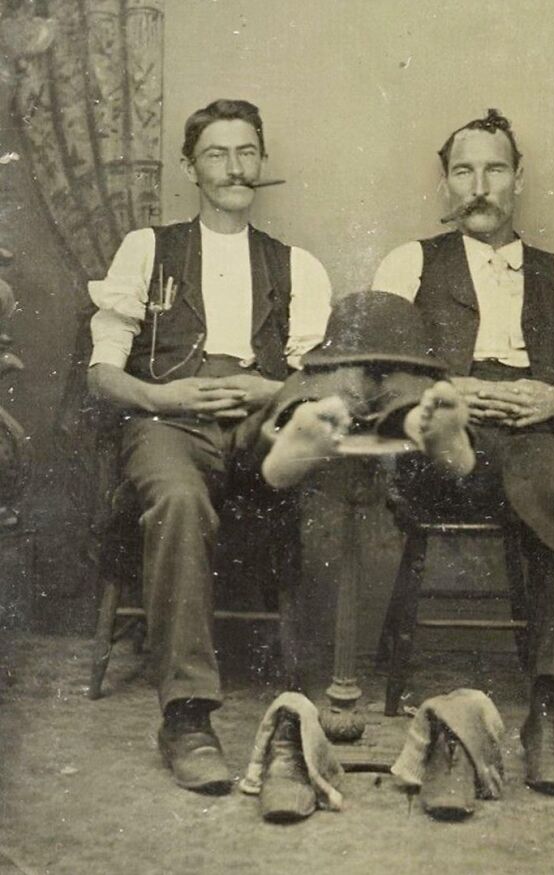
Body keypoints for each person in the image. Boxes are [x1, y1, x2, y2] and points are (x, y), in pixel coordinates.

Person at [365, 108, 554, 797]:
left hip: (533, 433)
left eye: (494, 169)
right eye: (463, 171)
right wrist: (447, 387)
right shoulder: (409, 262)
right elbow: (376, 372)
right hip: (447, 455)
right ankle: (549, 709)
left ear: (518, 179)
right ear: (446, 184)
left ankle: (548, 710)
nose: (478, 185)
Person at [87, 99, 331, 795]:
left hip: (260, 412)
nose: (234, 166)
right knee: (179, 497)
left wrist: (265, 390)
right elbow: (103, 373)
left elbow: (310, 370)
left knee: (308, 410)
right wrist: (169, 397)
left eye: (247, 152)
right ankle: (188, 719)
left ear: (262, 164)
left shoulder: (297, 265)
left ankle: (289, 454)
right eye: (218, 153)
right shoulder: (148, 248)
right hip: (168, 418)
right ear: (191, 167)